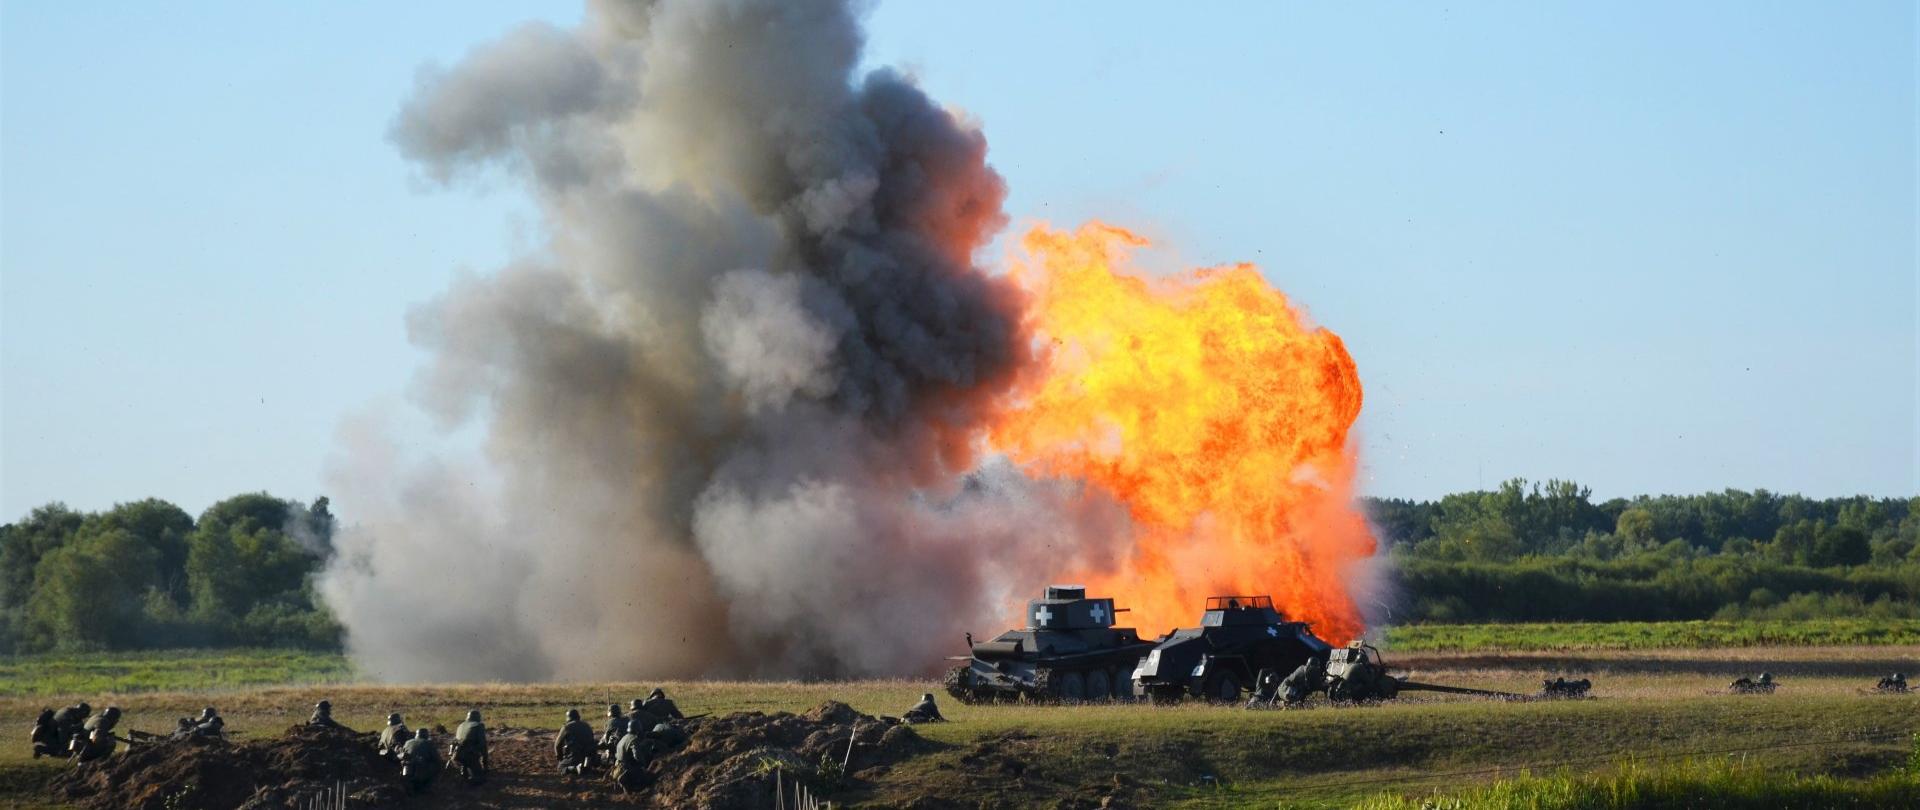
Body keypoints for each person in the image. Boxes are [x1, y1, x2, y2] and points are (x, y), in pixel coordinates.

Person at [611, 722, 658, 794]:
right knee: (650, 779)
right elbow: (637, 756)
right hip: (627, 768)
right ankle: (629, 782)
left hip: (618, 765)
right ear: (638, 730)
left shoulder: (625, 737)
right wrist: (643, 766)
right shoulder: (634, 739)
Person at [450, 709, 489, 785]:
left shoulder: (461, 725)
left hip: (456, 754)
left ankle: (463, 770)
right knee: (479, 778)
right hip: (469, 755)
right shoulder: (478, 726)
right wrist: (485, 764)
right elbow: (482, 745)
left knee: (466, 765)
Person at [554, 708, 598, 775]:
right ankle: (586, 767)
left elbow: (557, 745)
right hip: (589, 756)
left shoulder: (567, 727)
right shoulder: (587, 726)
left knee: (561, 767)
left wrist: (560, 757)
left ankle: (574, 768)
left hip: (574, 756)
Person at [399, 728, 442, 794]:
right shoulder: (428, 743)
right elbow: (437, 759)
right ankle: (428, 786)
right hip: (421, 770)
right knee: (437, 766)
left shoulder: (407, 742)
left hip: (407, 770)